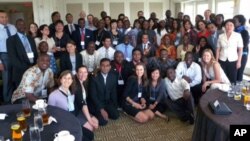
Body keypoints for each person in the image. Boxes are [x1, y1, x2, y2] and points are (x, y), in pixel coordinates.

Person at [7, 18, 38, 92]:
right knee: (22, 93)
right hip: (20, 71)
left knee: (32, 90)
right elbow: (13, 58)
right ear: (15, 26)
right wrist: (26, 68)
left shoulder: (30, 38)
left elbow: (35, 52)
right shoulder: (11, 40)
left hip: (32, 69)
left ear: (25, 26)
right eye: (19, 24)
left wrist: (34, 66)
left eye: (23, 24)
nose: (22, 26)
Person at [88, 58, 119, 126]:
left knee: (116, 115)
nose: (105, 68)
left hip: (106, 102)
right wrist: (101, 109)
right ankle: (93, 112)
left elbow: (113, 93)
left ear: (110, 67)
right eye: (103, 65)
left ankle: (105, 111)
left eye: (107, 65)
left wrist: (114, 106)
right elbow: (93, 96)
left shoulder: (113, 76)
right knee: (103, 122)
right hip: (96, 103)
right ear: (100, 66)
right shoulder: (94, 77)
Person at [74, 65, 98, 141]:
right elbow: (83, 104)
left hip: (81, 109)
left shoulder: (83, 83)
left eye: (85, 72)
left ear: (87, 73)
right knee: (91, 127)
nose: (83, 74)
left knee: (96, 122)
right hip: (75, 112)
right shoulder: (76, 85)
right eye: (80, 72)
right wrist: (90, 120)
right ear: (77, 73)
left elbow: (84, 103)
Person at [216, 19, 243, 83]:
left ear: (234, 27)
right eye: (227, 25)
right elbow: (218, 49)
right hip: (222, 59)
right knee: (222, 78)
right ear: (224, 26)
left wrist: (239, 61)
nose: (229, 27)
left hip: (233, 60)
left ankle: (232, 92)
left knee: (232, 78)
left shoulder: (238, 35)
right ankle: (223, 92)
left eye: (231, 25)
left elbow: (240, 49)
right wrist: (216, 61)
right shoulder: (220, 36)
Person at [0, 10, 17, 103]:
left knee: (16, 77)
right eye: (2, 17)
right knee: (7, 80)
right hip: (4, 56)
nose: (4, 19)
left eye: (6, 16)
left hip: (15, 55)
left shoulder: (12, 27)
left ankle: (15, 99)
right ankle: (7, 102)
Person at [233, 15, 249, 81]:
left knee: (239, 72)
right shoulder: (234, 31)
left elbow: (244, 45)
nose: (233, 22)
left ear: (240, 22)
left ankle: (238, 89)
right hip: (234, 55)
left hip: (242, 55)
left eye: (235, 21)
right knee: (234, 73)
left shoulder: (244, 32)